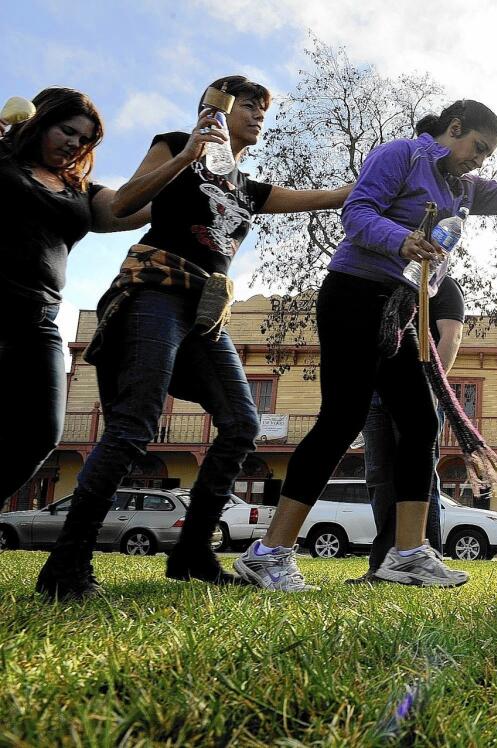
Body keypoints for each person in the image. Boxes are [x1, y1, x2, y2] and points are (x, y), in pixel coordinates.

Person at [235, 99, 497, 592]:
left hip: (397, 311)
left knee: (421, 421)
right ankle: (268, 553)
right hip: (354, 294)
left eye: (487, 156)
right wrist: (400, 240)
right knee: (342, 420)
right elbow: (356, 212)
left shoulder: (460, 187)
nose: (479, 161)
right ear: (454, 128)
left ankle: (408, 554)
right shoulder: (401, 155)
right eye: (478, 148)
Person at [36, 76, 352, 600]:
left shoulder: (247, 189)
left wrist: (382, 184)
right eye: (247, 105)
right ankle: (67, 562)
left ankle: (192, 553)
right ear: (216, 108)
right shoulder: (173, 144)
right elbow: (122, 205)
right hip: (155, 292)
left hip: (207, 312)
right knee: (134, 423)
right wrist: (188, 154)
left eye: (262, 110)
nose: (257, 116)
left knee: (241, 423)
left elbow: (332, 196)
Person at [0, 87, 150, 513]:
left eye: (85, 140)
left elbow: (128, 207)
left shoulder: (80, 190)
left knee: (39, 435)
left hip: (38, 319)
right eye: (67, 130)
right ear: (39, 121)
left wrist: (183, 168)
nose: (75, 144)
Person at [347, 274, 465, 585]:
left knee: (419, 477)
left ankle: (427, 562)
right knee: (379, 478)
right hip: (373, 394)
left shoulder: (444, 287)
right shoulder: (382, 285)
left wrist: (426, 386)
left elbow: (450, 337)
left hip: (416, 390)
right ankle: (382, 567)